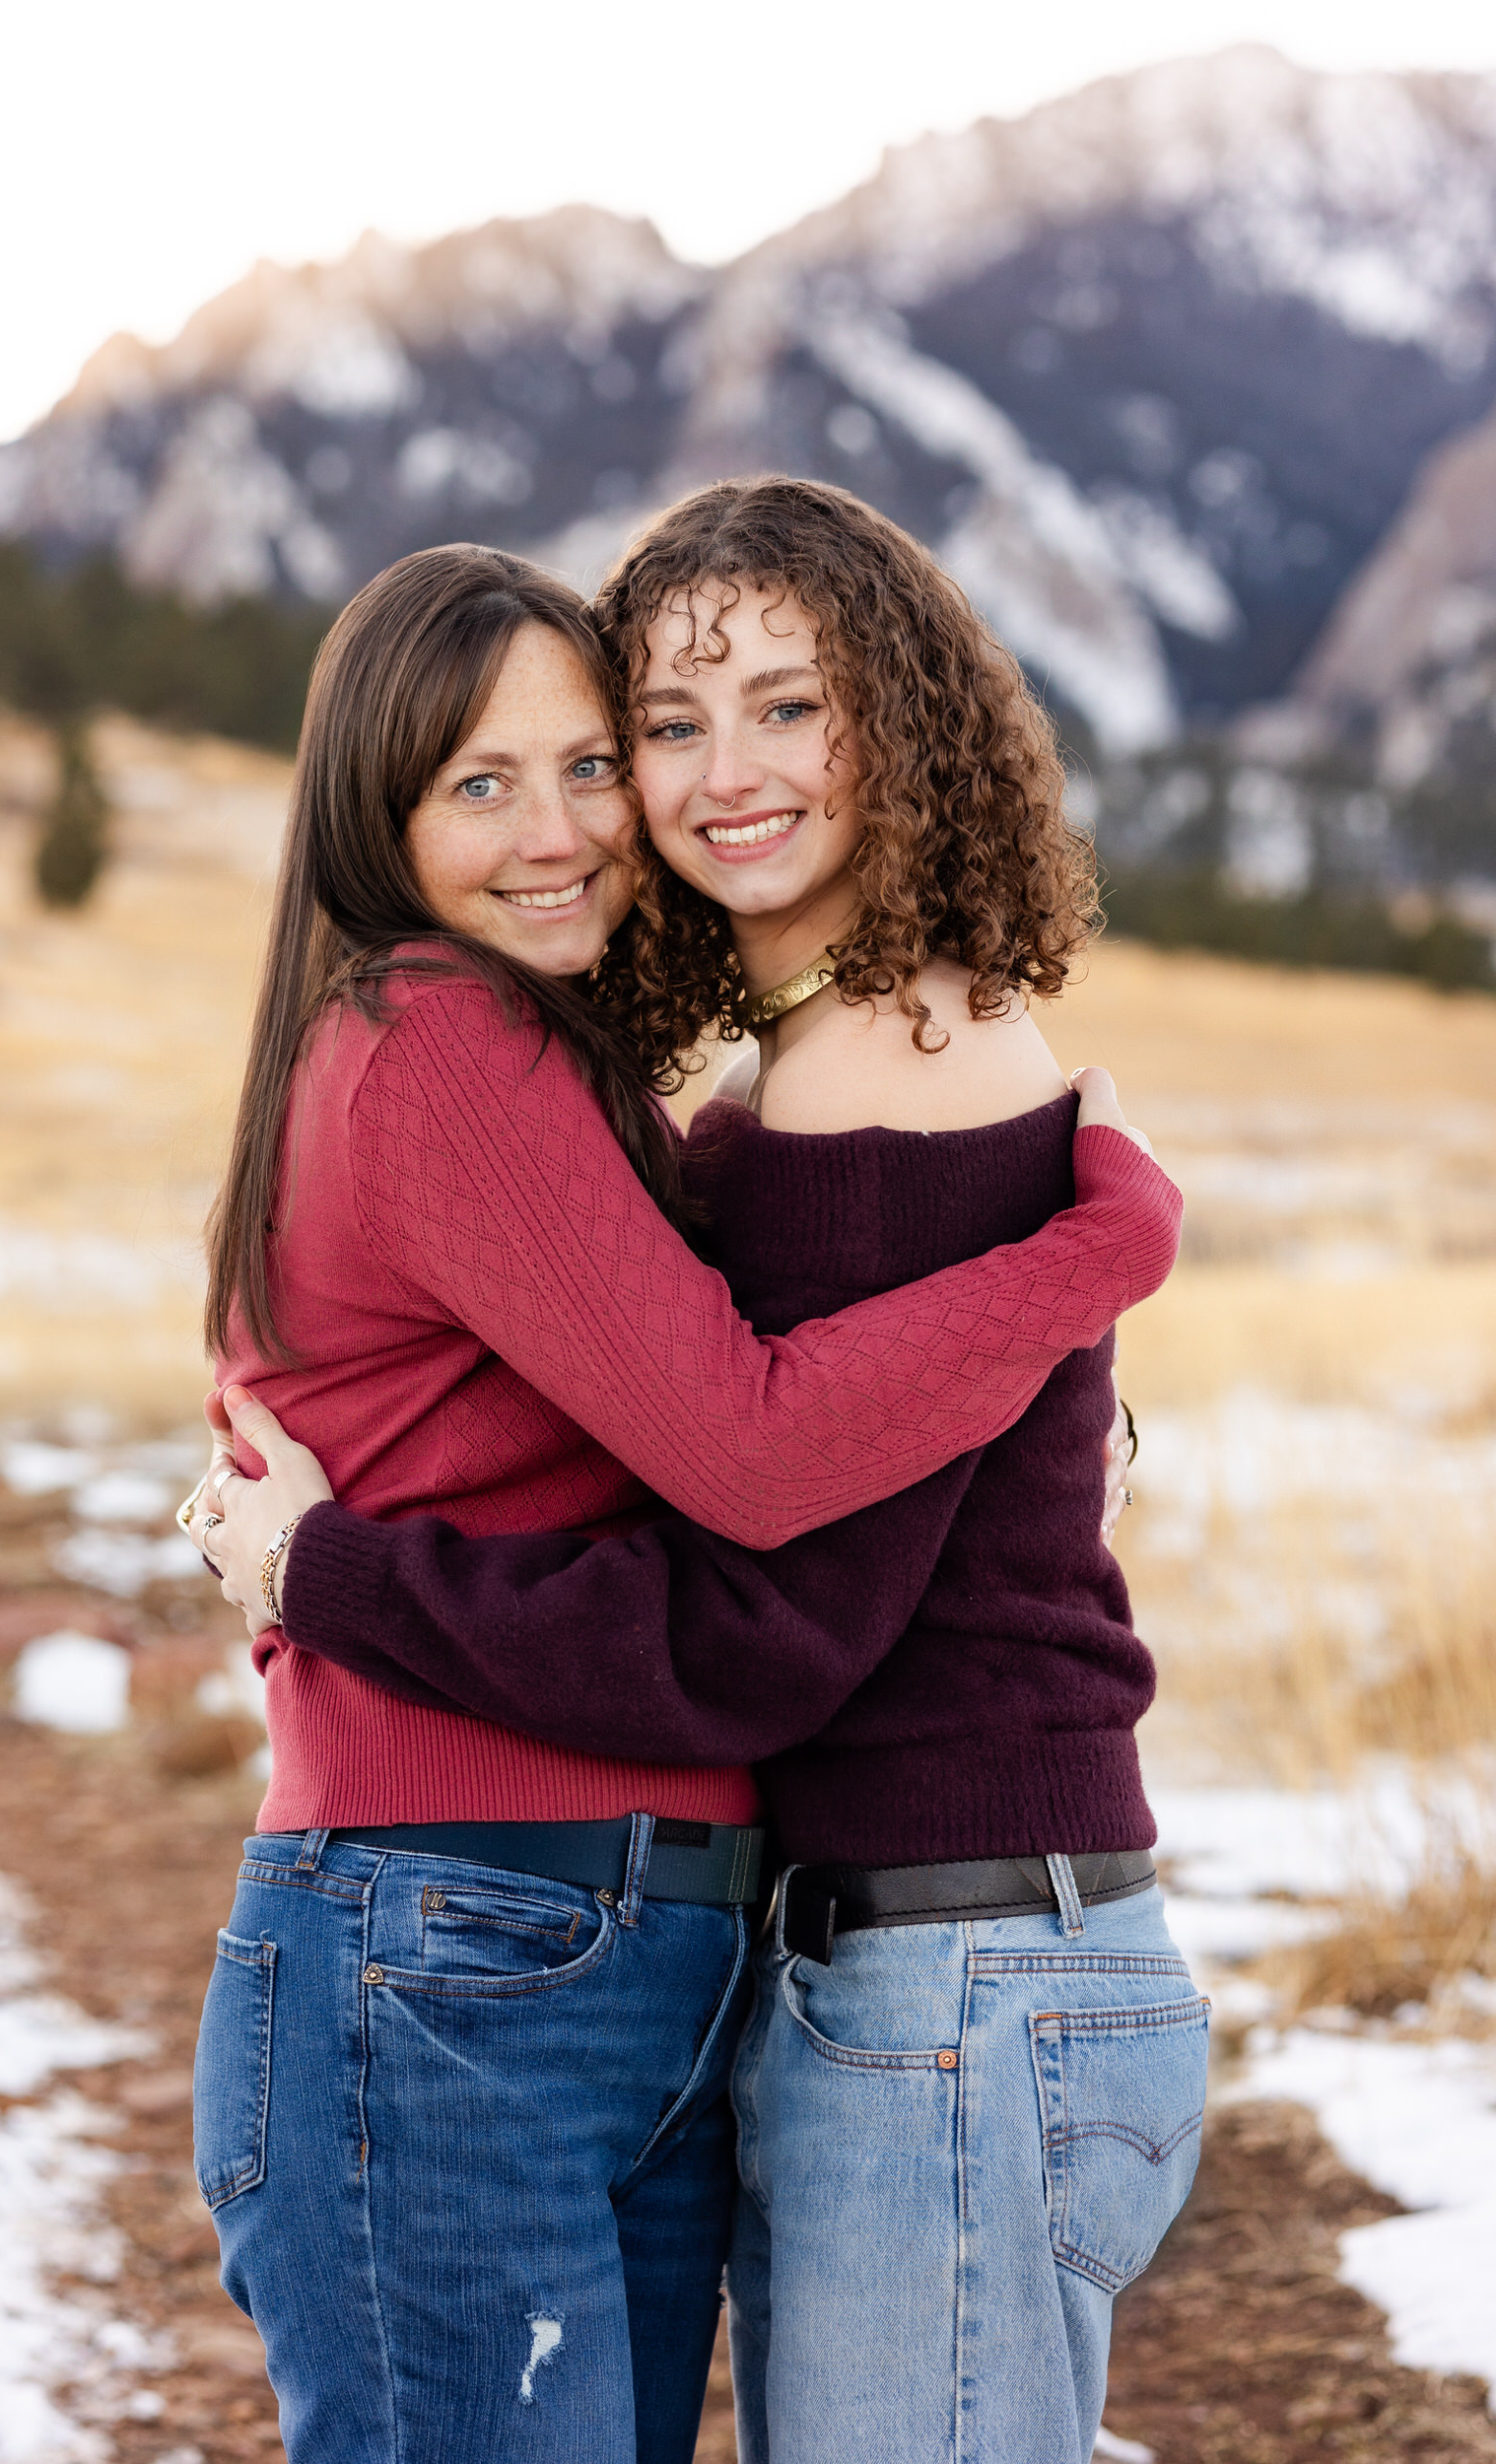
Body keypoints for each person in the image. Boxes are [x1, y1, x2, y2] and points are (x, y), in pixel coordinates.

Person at [196, 485, 1197, 2464]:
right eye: (666, 723)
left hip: (923, 1966)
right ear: (374, 813)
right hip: (708, 1948)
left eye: (780, 707)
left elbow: (755, 1573)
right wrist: (1089, 1236)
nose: (668, 789)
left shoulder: (881, 1071)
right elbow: (751, 1461)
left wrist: (1097, 1239)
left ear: (894, 728)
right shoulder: (582, 1064)